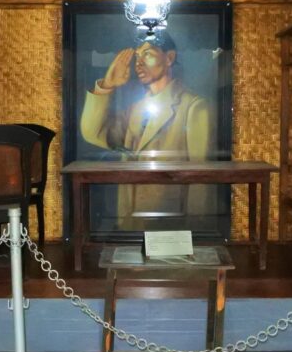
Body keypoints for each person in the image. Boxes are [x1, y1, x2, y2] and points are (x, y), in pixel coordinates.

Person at [80, 39, 213, 228]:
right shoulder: (136, 109)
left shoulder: (194, 106)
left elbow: (202, 177)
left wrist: (196, 227)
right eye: (137, 56)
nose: (139, 63)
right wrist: (107, 85)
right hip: (130, 221)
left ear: (169, 58)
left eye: (147, 54)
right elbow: (93, 133)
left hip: (170, 222)